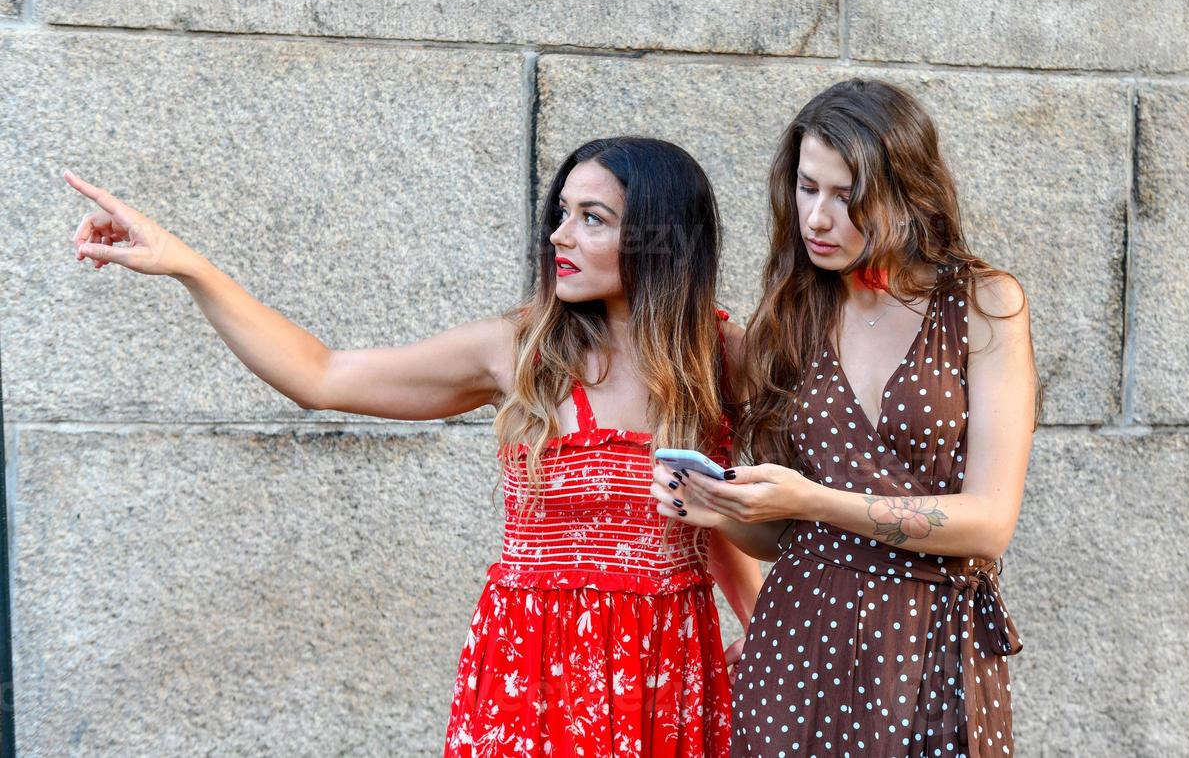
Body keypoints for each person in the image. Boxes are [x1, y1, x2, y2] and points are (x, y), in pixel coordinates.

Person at [65, 134, 763, 758]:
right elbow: (321, 375)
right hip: (534, 676)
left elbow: (722, 523)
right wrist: (189, 266)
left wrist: (764, 639)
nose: (560, 236)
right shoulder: (517, 352)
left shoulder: (719, 359)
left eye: (593, 219)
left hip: (666, 674)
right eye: (562, 214)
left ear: (661, 237)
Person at [653, 79, 1040, 757]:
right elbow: (783, 537)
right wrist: (726, 507)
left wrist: (813, 500)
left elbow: (990, 521)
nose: (819, 219)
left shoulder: (984, 305)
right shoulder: (793, 316)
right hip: (799, 640)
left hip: (933, 646)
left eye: (846, 195)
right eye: (808, 188)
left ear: (906, 189)